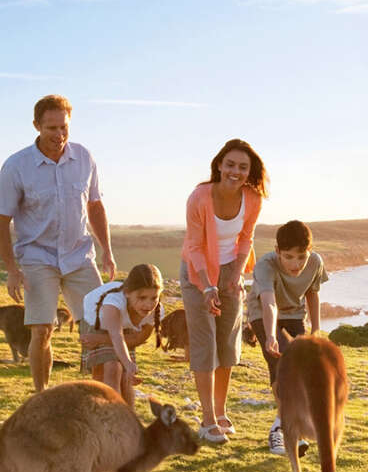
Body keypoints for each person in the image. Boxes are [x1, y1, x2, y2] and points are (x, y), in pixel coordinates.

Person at [0, 94, 116, 391]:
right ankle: (43, 396)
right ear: (37, 125)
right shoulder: (16, 166)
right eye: (51, 128)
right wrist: (12, 269)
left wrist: (107, 252)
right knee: (42, 329)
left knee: (99, 325)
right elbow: (2, 220)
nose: (59, 135)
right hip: (37, 257)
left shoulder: (84, 158)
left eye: (64, 127)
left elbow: (95, 207)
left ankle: (99, 395)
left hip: (79, 256)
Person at [180, 139, 268, 444]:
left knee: (227, 342)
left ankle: (220, 410)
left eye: (243, 167)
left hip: (231, 268)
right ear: (219, 165)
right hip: (197, 271)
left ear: (249, 171)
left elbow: (246, 238)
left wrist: (236, 276)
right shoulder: (200, 197)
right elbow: (193, 246)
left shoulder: (252, 198)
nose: (235, 171)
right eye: (230, 164)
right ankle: (206, 420)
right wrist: (207, 286)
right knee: (205, 342)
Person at [246, 219, 328, 455]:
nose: (296, 263)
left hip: (294, 314)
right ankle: (279, 430)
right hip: (262, 313)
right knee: (281, 364)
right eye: (289, 256)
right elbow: (269, 302)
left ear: (309, 252)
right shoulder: (265, 265)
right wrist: (270, 335)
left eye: (301, 256)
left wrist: (316, 330)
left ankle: (288, 426)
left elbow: (313, 294)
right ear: (277, 251)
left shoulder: (315, 263)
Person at [79, 264, 164, 406]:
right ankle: (112, 416)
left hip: (121, 328)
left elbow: (138, 338)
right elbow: (116, 336)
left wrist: (100, 340)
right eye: (142, 297)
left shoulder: (156, 311)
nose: (148, 305)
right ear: (127, 292)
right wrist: (128, 363)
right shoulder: (112, 302)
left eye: (153, 298)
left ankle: (129, 420)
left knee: (126, 377)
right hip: (98, 323)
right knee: (112, 368)